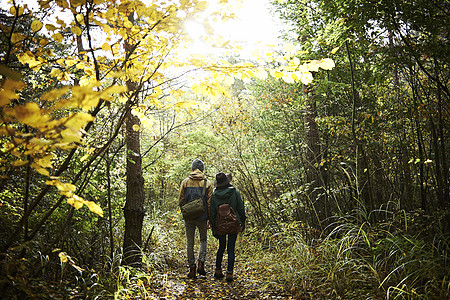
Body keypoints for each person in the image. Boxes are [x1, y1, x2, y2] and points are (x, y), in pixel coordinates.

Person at [178, 158, 213, 279]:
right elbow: (209, 203)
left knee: (190, 243)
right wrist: (209, 218)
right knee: (203, 240)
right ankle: (201, 263)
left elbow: (181, 200)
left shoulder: (185, 182)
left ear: (192, 169)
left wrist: (186, 211)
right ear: (202, 170)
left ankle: (192, 269)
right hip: (202, 217)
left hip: (189, 217)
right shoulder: (207, 183)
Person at [210, 172, 246, 282]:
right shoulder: (234, 192)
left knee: (221, 246)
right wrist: (243, 220)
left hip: (220, 224)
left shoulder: (215, 195)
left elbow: (212, 212)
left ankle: (218, 270)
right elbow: (240, 207)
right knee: (231, 248)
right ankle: (229, 273)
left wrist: (213, 226)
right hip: (233, 224)